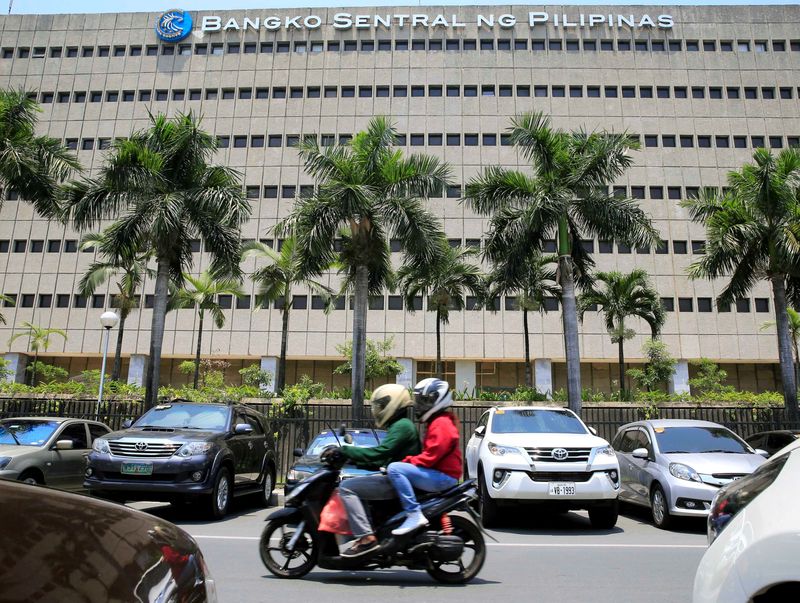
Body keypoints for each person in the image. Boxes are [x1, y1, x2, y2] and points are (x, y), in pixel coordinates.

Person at [335, 384, 420, 557]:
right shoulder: (399, 426)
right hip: (396, 479)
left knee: (347, 487)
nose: (378, 410)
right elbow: (383, 459)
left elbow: (381, 453)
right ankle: (369, 531)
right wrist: (352, 460)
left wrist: (345, 451)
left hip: (396, 483)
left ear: (393, 405)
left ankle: (366, 538)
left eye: (381, 406)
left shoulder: (402, 426)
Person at [387, 377, 462, 536]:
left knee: (395, 469)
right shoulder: (438, 421)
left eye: (424, 400)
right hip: (441, 474)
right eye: (419, 400)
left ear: (437, 399)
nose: (419, 405)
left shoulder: (441, 423)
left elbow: (430, 457)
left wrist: (407, 461)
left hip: (443, 477)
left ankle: (414, 514)